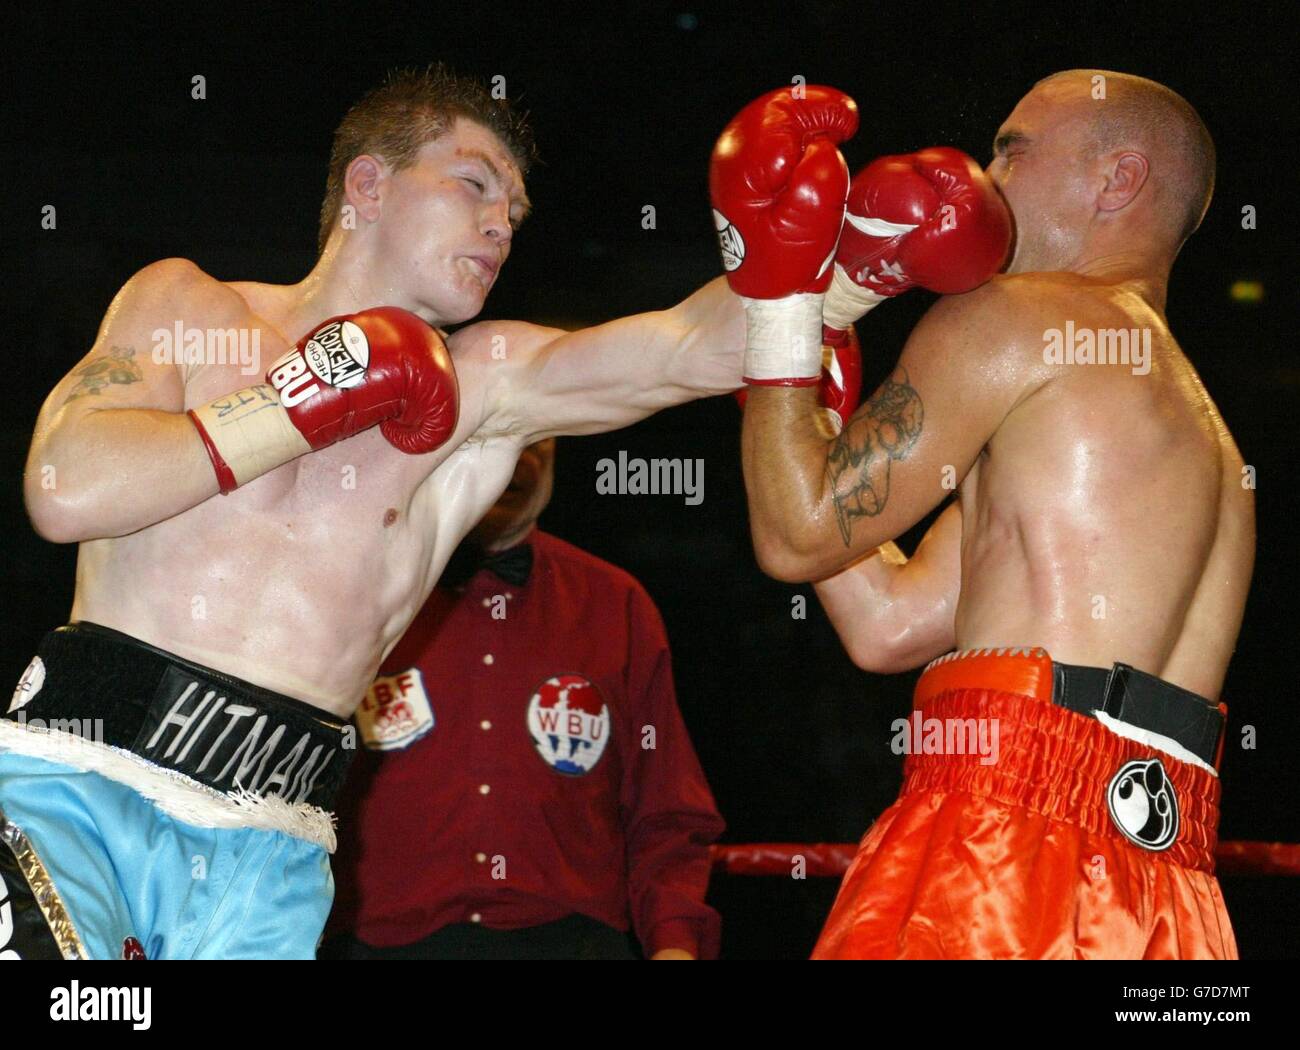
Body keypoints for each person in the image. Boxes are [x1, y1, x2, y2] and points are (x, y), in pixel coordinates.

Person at [0, 65, 744, 960]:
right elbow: (62, 486)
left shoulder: (482, 386)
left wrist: (838, 265)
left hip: (272, 855)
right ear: (368, 184)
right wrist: (297, 403)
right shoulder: (191, 307)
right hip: (81, 788)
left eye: (515, 207)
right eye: (475, 183)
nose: (502, 223)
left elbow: (686, 351)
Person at [714, 73, 1251, 959]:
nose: (987, 175)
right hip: (1173, 896)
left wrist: (779, 312)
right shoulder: (1207, 439)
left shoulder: (1017, 317)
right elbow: (889, 624)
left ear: (1115, 180)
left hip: (998, 846)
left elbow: (794, 532)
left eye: (1015, 147)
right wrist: (802, 411)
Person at [323, 439, 723, 960]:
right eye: (491, 428)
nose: (516, 452)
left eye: (535, 432)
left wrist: (675, 945)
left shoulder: (615, 604)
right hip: (379, 943)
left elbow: (667, 812)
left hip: (574, 942)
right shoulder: (355, 592)